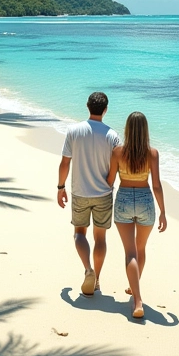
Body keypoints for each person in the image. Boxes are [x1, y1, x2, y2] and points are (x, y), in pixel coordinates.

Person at [57, 91, 121, 296]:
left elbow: (65, 162)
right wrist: (109, 184)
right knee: (100, 238)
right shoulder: (112, 135)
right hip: (103, 194)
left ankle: (87, 269)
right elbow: (116, 166)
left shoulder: (74, 131)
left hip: (80, 192)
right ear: (105, 110)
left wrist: (60, 187)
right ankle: (98, 280)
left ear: (87, 106)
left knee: (79, 233)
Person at [107, 110, 167, 319]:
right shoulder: (152, 154)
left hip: (123, 198)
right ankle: (136, 293)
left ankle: (137, 298)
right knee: (140, 249)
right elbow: (157, 186)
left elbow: (109, 182)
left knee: (129, 253)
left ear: (127, 130)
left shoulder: (117, 152)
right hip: (145, 200)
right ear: (145, 130)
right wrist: (163, 212)